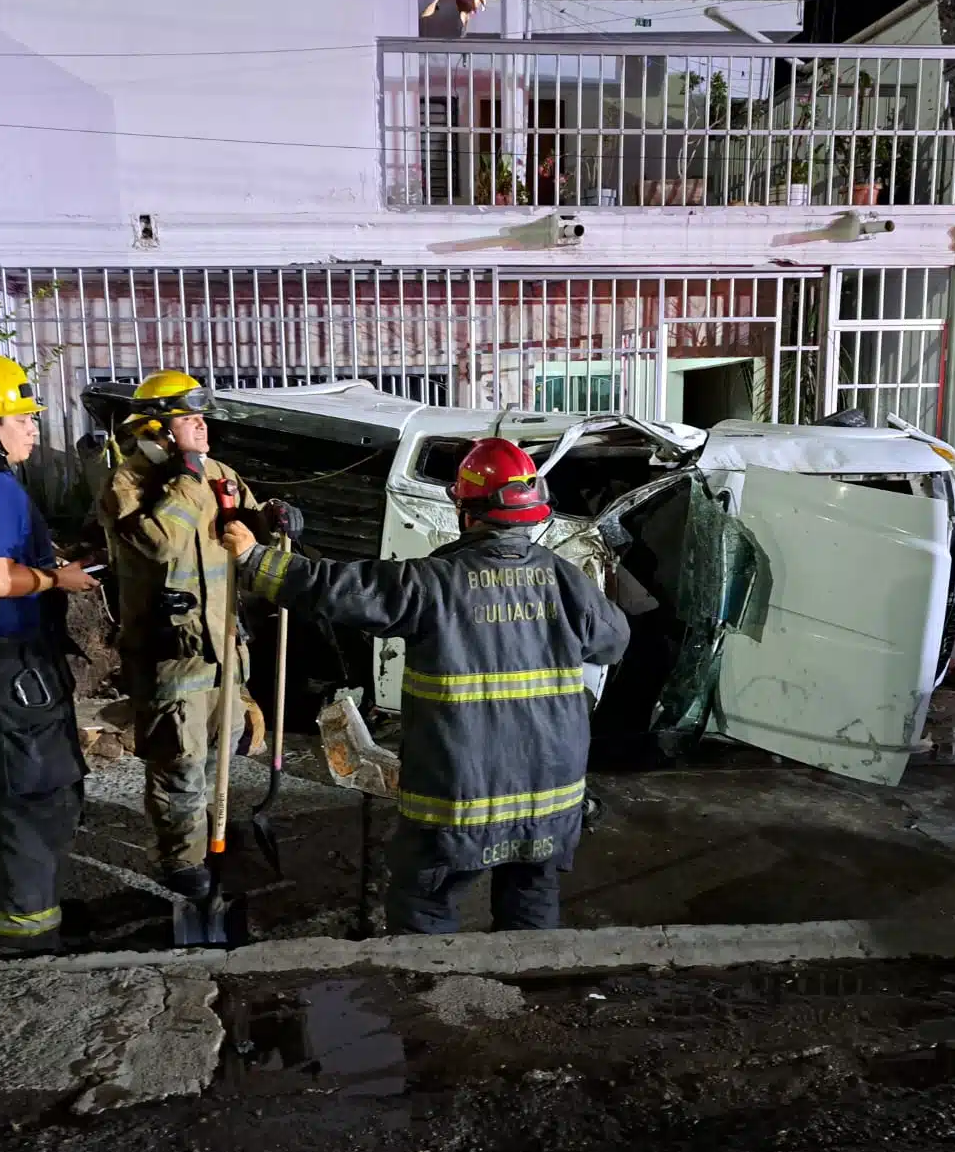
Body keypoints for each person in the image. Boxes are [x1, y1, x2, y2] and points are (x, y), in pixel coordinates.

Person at [221, 437, 630, 934]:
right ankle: (529, 998)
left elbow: (342, 589)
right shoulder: (566, 580)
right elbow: (613, 642)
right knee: (531, 899)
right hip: (550, 797)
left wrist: (255, 560)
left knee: (425, 903)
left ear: (466, 511)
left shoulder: (434, 582)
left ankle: (424, 999)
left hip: (459, 798)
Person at [95, 371, 299, 902]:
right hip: (171, 654)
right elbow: (160, 542)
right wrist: (187, 474)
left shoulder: (219, 474)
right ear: (159, 430)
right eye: (189, 419)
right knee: (178, 766)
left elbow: (247, 517)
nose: (202, 428)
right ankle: (180, 861)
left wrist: (274, 517)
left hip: (223, 648)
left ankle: (216, 840)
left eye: (201, 418)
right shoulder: (128, 483)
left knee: (221, 753)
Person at [0, 353, 101, 957]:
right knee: (36, 799)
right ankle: (26, 940)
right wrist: (60, 581)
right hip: (13, 664)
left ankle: (38, 918)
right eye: (21, 417)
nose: (32, 427)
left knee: (30, 791)